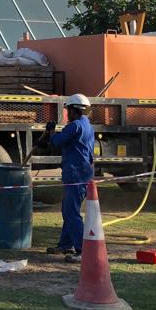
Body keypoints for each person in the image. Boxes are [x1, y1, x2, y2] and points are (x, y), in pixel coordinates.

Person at [43, 94, 95, 263]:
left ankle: (83, 250)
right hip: (82, 173)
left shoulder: (74, 126)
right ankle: (66, 245)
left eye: (69, 110)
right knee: (68, 210)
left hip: (75, 174)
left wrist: (51, 131)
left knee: (71, 212)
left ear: (75, 110)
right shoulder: (87, 126)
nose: (67, 113)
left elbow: (56, 142)